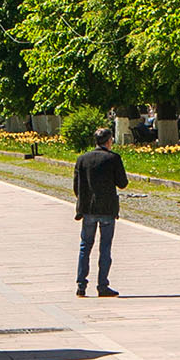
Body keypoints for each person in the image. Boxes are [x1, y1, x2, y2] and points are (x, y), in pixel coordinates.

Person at [73, 126, 128, 298]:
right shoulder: (113, 159)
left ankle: (81, 285)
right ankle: (102, 285)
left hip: (88, 209)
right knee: (105, 247)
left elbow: (76, 186)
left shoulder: (82, 159)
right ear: (109, 141)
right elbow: (122, 183)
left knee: (85, 246)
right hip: (107, 209)